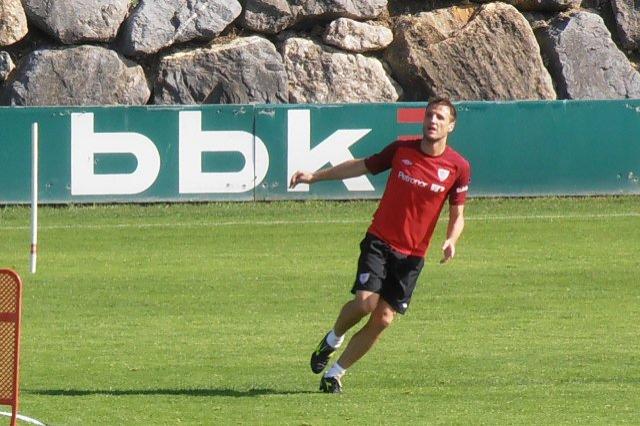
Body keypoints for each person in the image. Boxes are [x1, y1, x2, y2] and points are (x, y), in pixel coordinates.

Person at [289, 97, 471, 393]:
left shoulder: (458, 167)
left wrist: (451, 239)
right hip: (380, 241)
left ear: (451, 125)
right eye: (429, 115)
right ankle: (332, 339)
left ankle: (335, 374)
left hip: (412, 257)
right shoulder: (402, 150)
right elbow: (361, 165)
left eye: (439, 117)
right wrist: (315, 177)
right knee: (365, 303)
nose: (432, 121)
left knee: (383, 318)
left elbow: (458, 213)